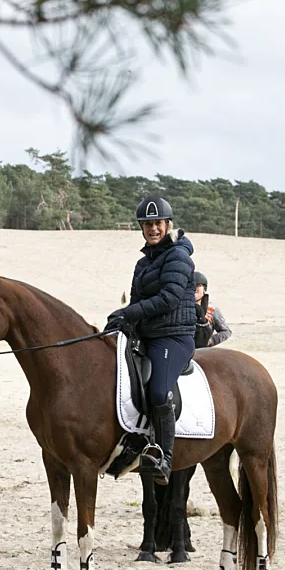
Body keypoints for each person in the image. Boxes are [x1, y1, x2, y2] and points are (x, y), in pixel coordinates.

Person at [104, 197, 196, 486]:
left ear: (168, 224)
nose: (153, 229)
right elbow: (137, 301)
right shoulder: (143, 263)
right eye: (147, 225)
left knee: (158, 392)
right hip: (146, 336)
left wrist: (128, 312)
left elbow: (168, 298)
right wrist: (122, 322)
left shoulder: (179, 257)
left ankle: (164, 459)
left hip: (173, 337)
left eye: (157, 223)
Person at [193, 271, 232, 349]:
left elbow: (226, 331)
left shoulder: (212, 311)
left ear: (204, 289)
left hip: (203, 351)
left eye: (198, 285)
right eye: (191, 285)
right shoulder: (181, 308)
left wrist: (212, 340)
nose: (194, 288)